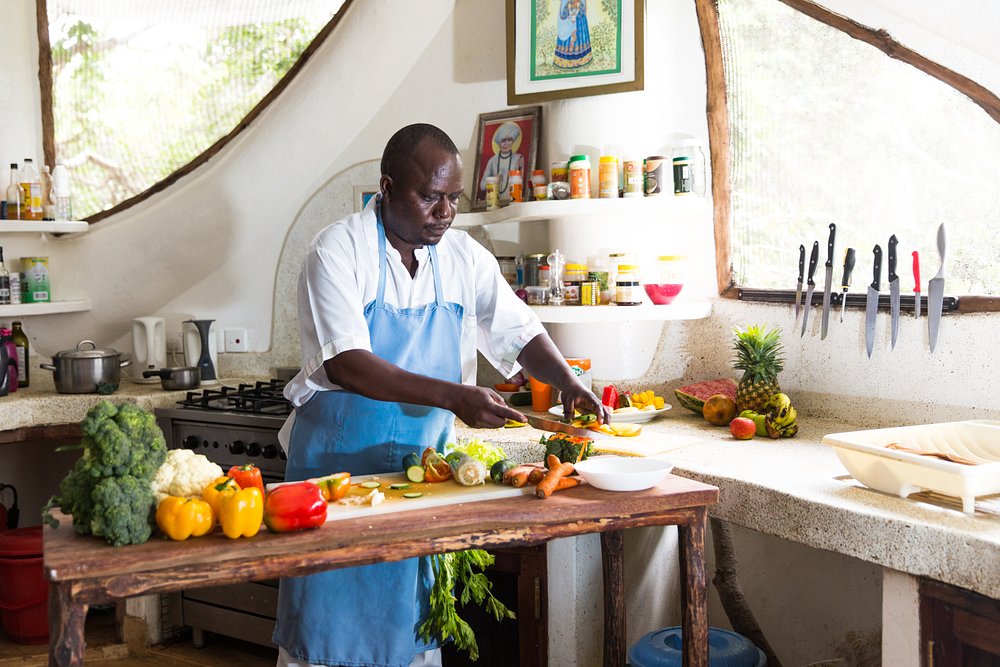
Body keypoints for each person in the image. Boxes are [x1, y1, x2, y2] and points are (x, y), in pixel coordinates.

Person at [274, 123, 609, 667]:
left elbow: (517, 329)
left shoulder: (461, 256)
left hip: (421, 475)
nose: (444, 212)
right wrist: (457, 397)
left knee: (415, 630)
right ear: (386, 187)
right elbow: (348, 364)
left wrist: (567, 378)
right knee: (327, 635)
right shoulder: (337, 250)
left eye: (452, 198)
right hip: (336, 477)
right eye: (429, 197)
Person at [477, 121, 524, 202]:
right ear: (498, 142)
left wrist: (521, 167)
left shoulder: (518, 158)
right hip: (494, 203)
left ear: (513, 141)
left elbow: (522, 185)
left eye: (509, 140)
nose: (506, 144)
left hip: (513, 203)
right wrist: (494, 179)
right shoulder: (492, 161)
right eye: (503, 140)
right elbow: (482, 186)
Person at [554, 0, 593, 69]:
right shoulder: (566, 4)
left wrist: (577, 10)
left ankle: (582, 60)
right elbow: (563, 14)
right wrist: (570, 14)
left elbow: (583, 11)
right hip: (568, 20)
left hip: (579, 21)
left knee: (579, 36)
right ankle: (565, 62)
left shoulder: (580, 4)